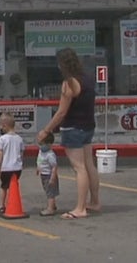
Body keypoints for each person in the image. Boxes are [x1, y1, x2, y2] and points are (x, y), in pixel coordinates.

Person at [37, 47, 101, 220]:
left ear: (62, 64)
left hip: (73, 128)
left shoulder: (69, 83)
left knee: (79, 168)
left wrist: (46, 130)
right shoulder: (88, 79)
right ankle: (94, 202)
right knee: (89, 165)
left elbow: (61, 113)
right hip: (88, 126)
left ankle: (80, 208)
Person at [0, 112, 24, 215]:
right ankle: (12, 202)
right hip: (17, 168)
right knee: (13, 185)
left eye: (1, 127)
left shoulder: (2, 139)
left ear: (4, 126)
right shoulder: (19, 139)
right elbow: (21, 153)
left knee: (3, 187)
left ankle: (2, 206)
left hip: (6, 168)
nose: (0, 129)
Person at [36, 132, 59, 216]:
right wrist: (38, 168)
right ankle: (53, 205)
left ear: (49, 144)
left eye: (42, 144)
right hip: (43, 174)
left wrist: (52, 178)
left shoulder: (50, 155)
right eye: (39, 144)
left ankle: (50, 209)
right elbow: (40, 160)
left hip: (49, 175)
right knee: (48, 191)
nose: (41, 146)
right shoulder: (41, 152)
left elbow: (54, 167)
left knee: (50, 192)